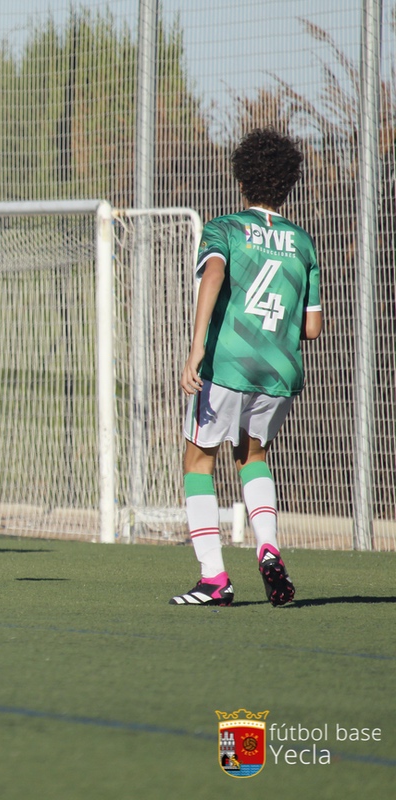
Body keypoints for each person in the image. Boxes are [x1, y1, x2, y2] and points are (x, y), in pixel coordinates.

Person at [169, 128, 322, 607]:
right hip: (278, 373)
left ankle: (214, 578)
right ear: (289, 185)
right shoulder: (302, 242)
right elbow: (313, 329)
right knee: (252, 456)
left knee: (198, 462)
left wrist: (196, 348)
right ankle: (269, 549)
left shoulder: (225, 228)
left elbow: (213, 274)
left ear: (241, 181)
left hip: (228, 364)